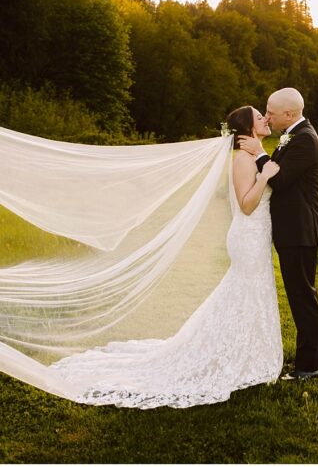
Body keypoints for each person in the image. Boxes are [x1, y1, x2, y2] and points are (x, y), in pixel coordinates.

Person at [49, 105, 284, 408]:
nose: (265, 118)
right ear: (247, 129)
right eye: (259, 117)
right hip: (247, 238)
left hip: (256, 237)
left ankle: (248, 352)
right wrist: (265, 176)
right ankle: (226, 353)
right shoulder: (242, 161)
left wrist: (264, 164)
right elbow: (247, 205)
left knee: (250, 294)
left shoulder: (253, 156)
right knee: (246, 293)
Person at [238, 87, 318, 380]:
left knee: (303, 298)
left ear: (289, 114)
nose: (268, 117)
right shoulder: (293, 135)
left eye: (271, 113)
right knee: (300, 296)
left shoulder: (305, 140)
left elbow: (282, 178)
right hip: (292, 230)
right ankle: (309, 360)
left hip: (300, 231)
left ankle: (309, 366)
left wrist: (259, 153)